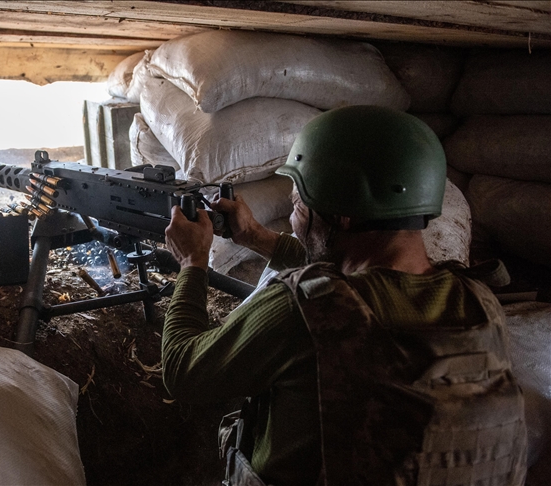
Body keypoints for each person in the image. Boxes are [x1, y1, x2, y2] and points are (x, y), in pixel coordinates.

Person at [162, 105, 528, 486]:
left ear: (342, 216)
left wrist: (193, 261)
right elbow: (351, 264)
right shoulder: (479, 302)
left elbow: (182, 369)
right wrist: (254, 236)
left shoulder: (308, 311)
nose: (293, 219)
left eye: (298, 205)